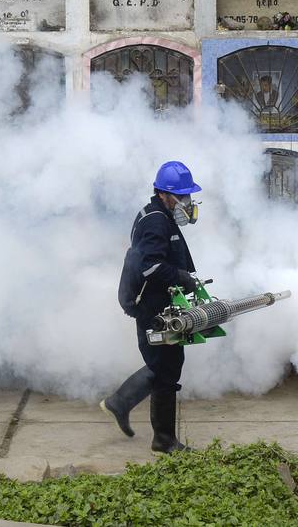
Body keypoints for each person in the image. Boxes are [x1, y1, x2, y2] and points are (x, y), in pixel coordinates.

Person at [102, 161, 202, 453]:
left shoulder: (160, 215)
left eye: (188, 196)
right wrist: (182, 277)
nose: (187, 202)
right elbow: (151, 267)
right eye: (182, 196)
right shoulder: (156, 220)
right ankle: (163, 439)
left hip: (162, 303)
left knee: (166, 365)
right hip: (153, 308)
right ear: (165, 194)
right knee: (166, 369)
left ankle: (120, 403)